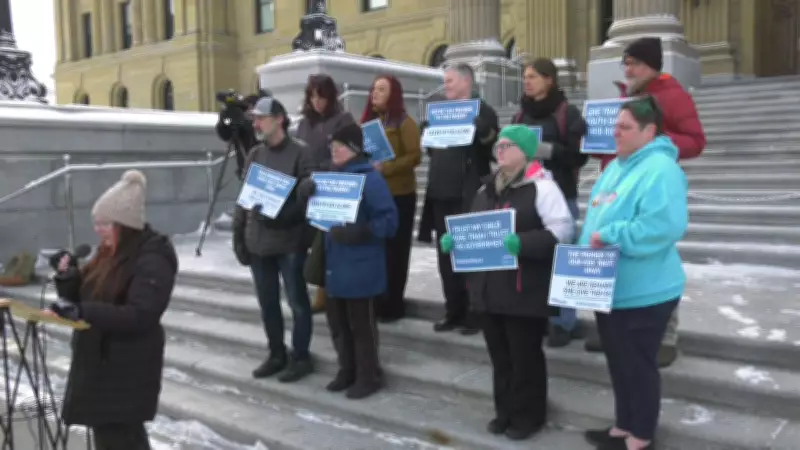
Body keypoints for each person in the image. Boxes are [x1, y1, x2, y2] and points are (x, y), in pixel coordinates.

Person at [439, 125, 574, 441]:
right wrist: (454, 241)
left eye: (507, 146)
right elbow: (474, 229)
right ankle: (505, 412)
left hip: (523, 290)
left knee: (524, 357)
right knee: (500, 357)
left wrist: (524, 244)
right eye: (497, 147)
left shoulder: (541, 188)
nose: (499, 152)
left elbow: (563, 231)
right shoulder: (486, 190)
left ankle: (529, 416)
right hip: (489, 290)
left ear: (525, 151)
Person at [585, 37, 706, 368]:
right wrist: (593, 140)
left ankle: (667, 333)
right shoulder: (626, 98)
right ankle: (610, 322)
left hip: (648, 186)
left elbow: (696, 141)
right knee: (610, 252)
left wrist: (654, 138)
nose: (628, 69)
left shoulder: (673, 95)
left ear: (652, 65)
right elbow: (612, 145)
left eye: (634, 63)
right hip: (615, 187)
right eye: (625, 63)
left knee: (653, 252)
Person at [581, 97, 688, 450]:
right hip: (609, 285)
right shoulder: (616, 167)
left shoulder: (661, 168)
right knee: (619, 362)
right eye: (615, 127)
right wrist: (579, 250)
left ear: (649, 131)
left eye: (625, 127)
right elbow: (597, 214)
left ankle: (641, 436)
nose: (616, 133)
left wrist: (610, 236)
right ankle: (623, 425)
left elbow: (662, 226)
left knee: (638, 366)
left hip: (646, 289)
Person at [48, 170, 177, 450]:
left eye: (105, 223)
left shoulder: (153, 257)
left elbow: (140, 315)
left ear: (126, 224)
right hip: (101, 362)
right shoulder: (110, 251)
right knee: (110, 439)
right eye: (96, 222)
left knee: (122, 439)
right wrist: (69, 276)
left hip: (127, 366)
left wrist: (84, 312)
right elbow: (86, 295)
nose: (98, 229)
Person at [232, 96, 317, 383]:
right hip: (258, 243)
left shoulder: (300, 152)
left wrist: (289, 213)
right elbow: (244, 199)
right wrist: (238, 235)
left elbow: (307, 197)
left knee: (297, 302)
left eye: (261, 118)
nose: (255, 123)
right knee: (267, 303)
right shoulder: (255, 154)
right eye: (254, 119)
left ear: (279, 118)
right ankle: (276, 353)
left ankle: (301, 355)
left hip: (289, 242)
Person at [511, 57, 589, 347]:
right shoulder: (520, 116)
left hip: (560, 195)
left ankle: (564, 321)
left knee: (562, 259)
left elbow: (579, 155)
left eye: (532, 76)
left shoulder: (567, 113)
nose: (527, 81)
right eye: (525, 77)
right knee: (533, 258)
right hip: (527, 197)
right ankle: (537, 313)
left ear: (549, 79)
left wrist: (546, 150)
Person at [318, 122, 399, 399]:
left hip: (361, 266)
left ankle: (369, 374)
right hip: (335, 264)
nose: (334, 151)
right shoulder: (331, 177)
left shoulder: (371, 179)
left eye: (339, 147)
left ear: (354, 149)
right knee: (338, 323)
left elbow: (390, 221)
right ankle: (347, 369)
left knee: (361, 326)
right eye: (332, 147)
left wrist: (361, 231)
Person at [420, 63, 499, 335]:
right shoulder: (440, 112)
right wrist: (427, 133)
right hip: (441, 193)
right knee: (446, 255)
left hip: (468, 194)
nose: (446, 86)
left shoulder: (484, 110)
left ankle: (475, 313)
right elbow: (434, 152)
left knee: (470, 256)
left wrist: (483, 131)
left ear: (467, 81)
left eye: (450, 81)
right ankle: (453, 309)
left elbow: (493, 150)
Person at [360, 74, 421, 323]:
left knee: (396, 252)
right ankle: (376, 300)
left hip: (400, 196)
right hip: (374, 196)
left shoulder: (405, 123)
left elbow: (415, 157)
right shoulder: (369, 123)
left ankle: (393, 304)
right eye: (374, 89)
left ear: (393, 93)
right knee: (376, 251)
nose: (375, 93)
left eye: (381, 89)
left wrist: (388, 168)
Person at [295, 74, 357, 313]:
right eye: (312, 96)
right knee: (309, 241)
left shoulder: (343, 120)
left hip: (331, 188)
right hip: (306, 187)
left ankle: (327, 292)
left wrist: (320, 171)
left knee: (328, 242)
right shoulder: (303, 124)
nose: (316, 101)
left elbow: (348, 154)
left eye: (321, 96)